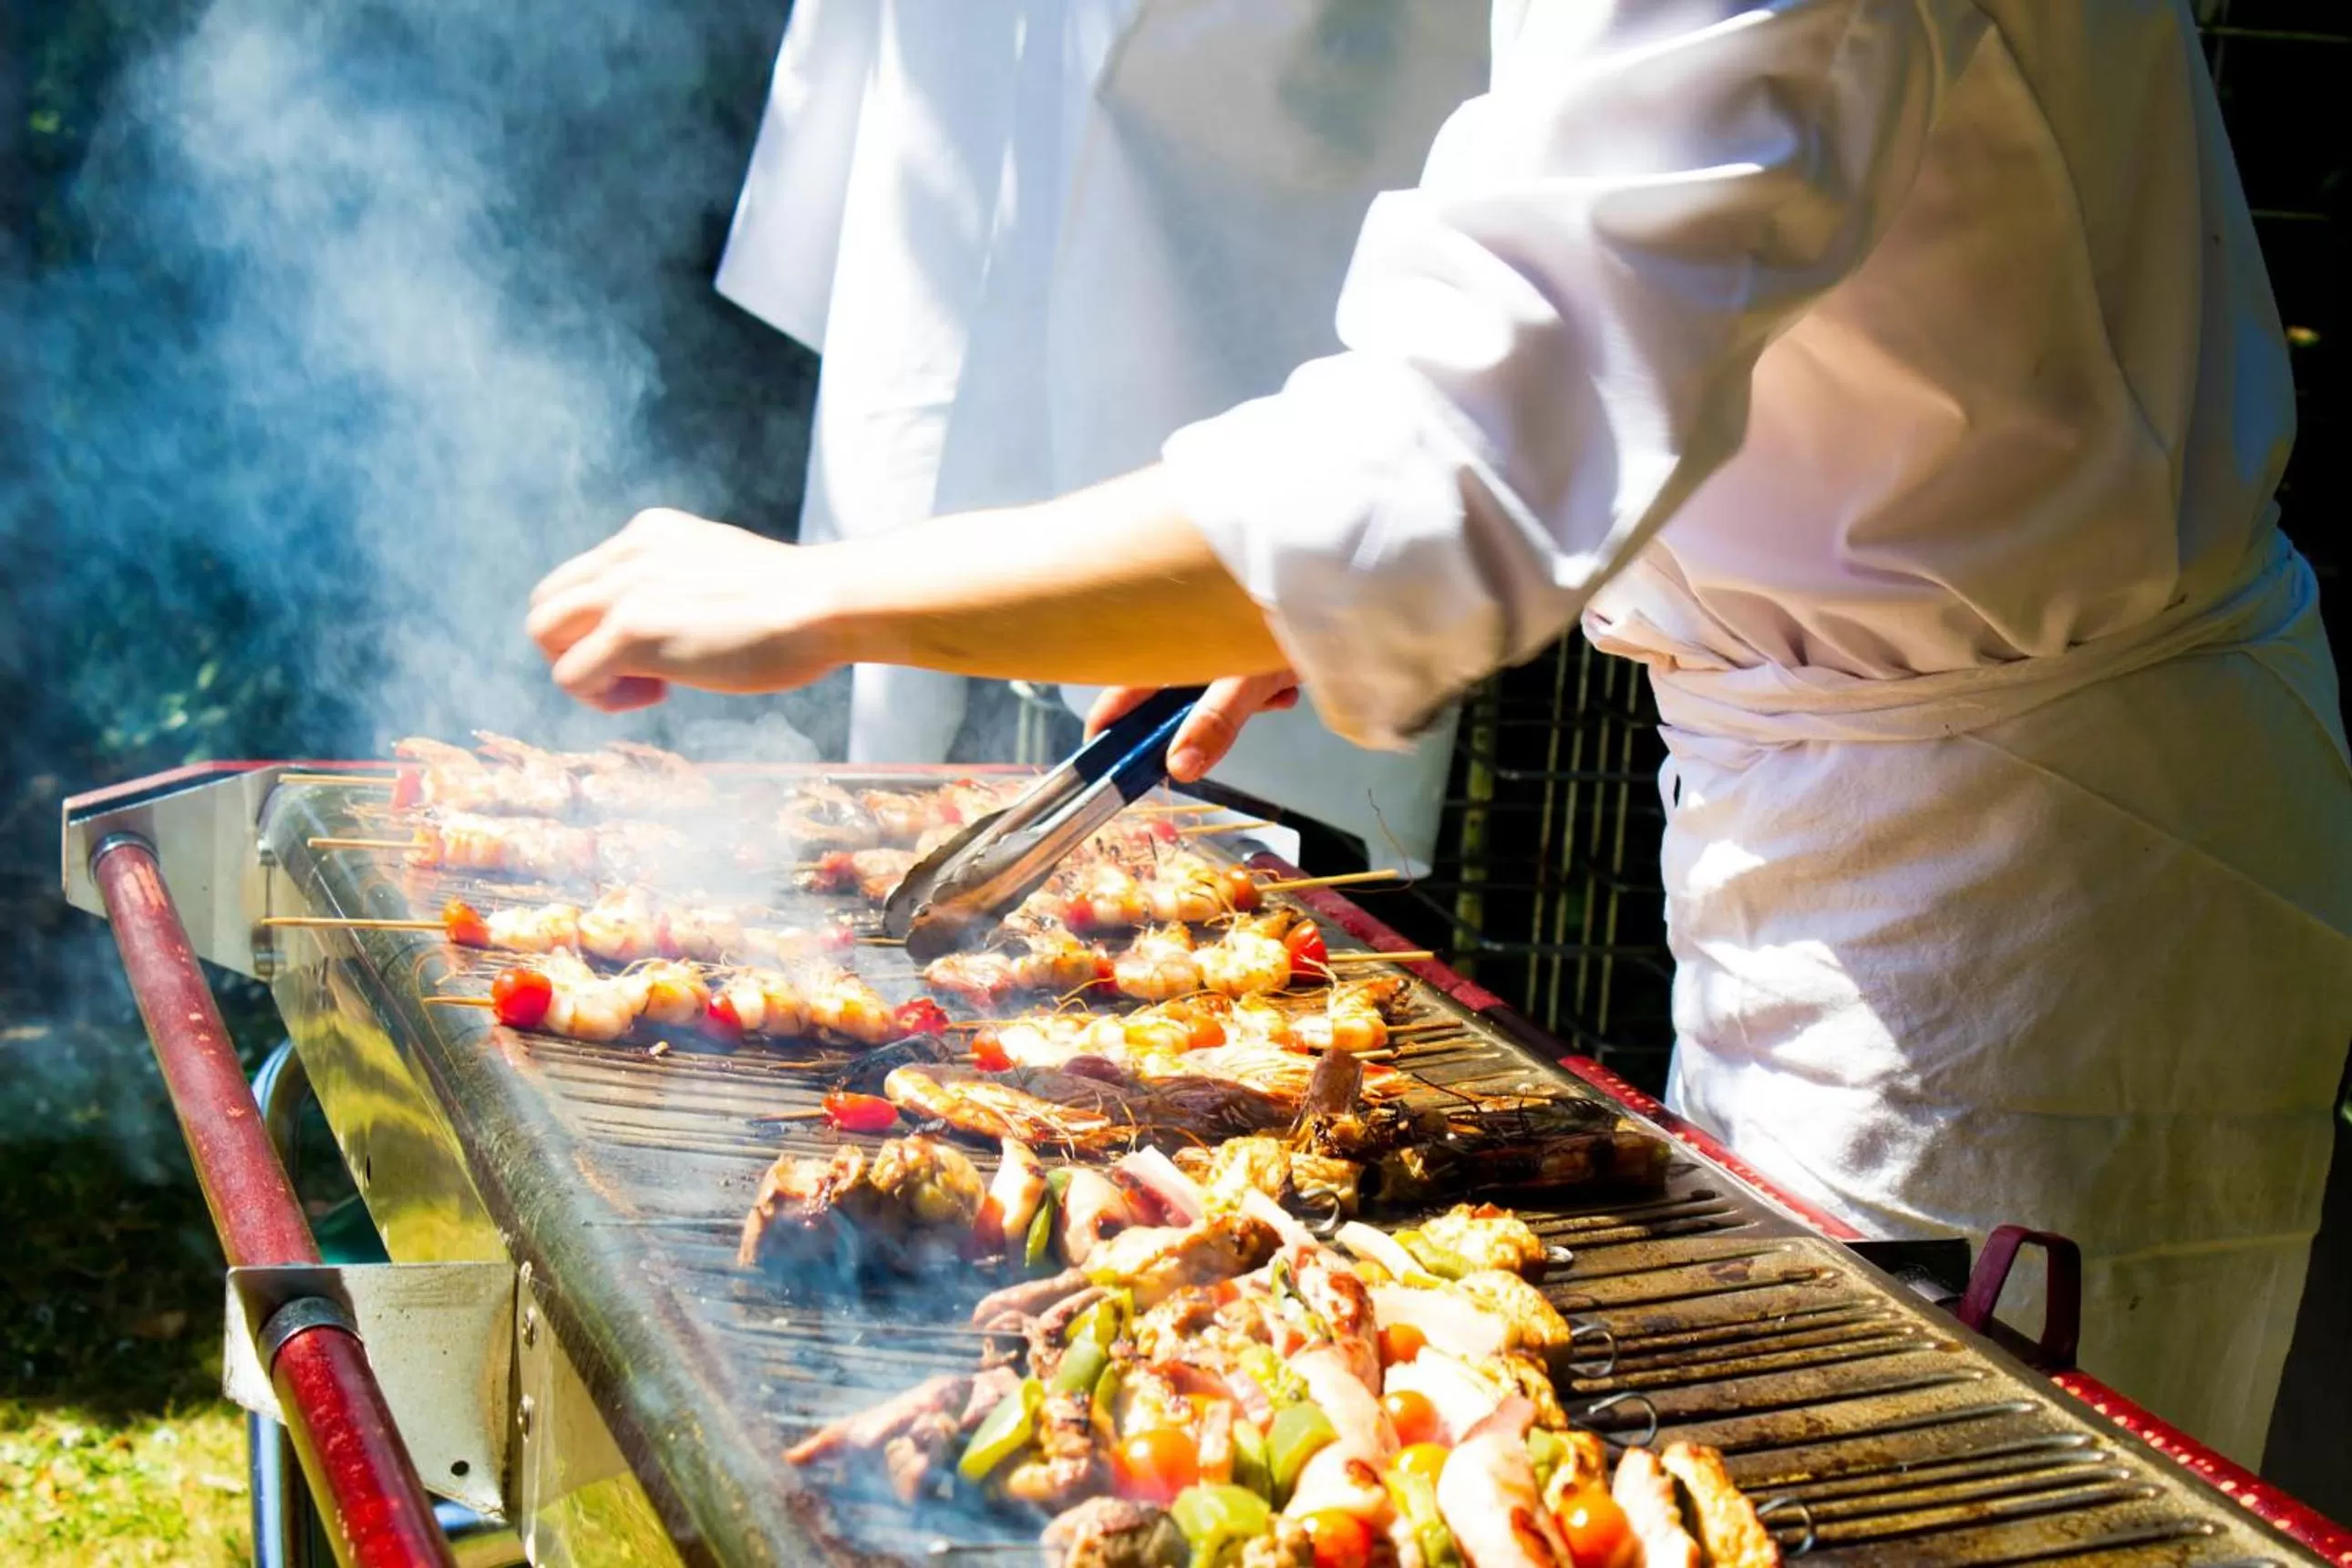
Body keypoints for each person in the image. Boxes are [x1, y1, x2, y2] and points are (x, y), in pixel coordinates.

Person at [531, 0, 2352, 1466]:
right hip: (1852, 806)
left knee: (1904, 1494)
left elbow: (1455, 464)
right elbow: (1701, 347)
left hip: (2026, 899)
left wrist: (824, 596)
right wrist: (1288, 598)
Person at [713, 0, 1484, 869]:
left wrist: (821, 598)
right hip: (984, 162)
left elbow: (1495, 430)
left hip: (1283, 283)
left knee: (1229, 822)